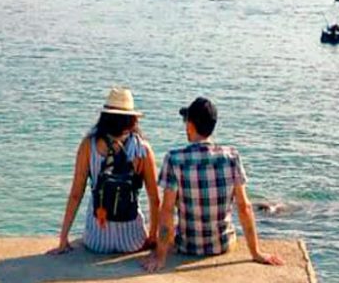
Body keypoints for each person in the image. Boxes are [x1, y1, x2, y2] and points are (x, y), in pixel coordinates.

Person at [142, 96, 283, 271]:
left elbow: (167, 210)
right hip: (222, 245)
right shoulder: (232, 156)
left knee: (174, 224)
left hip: (188, 247)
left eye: (186, 121)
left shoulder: (174, 159)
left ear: (191, 125)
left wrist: (160, 256)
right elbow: (244, 207)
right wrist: (256, 253)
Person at [48, 87, 160, 255]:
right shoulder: (142, 149)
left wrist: (63, 239)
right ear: (132, 119)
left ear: (104, 116)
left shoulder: (89, 145)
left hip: (96, 241)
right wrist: (152, 238)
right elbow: (155, 199)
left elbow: (76, 194)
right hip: (132, 241)